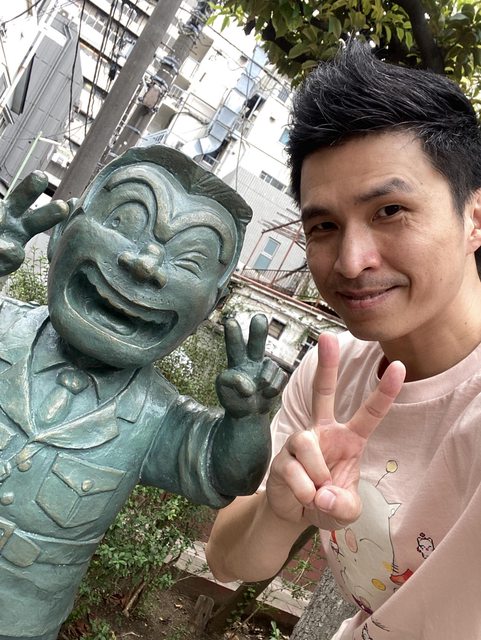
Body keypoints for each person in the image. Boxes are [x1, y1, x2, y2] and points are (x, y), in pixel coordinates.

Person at [206, 41, 481, 639]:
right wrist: (281, 509)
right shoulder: (332, 374)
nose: (351, 262)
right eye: (325, 226)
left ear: (474, 218)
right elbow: (226, 558)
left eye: (390, 210)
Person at [0, 144, 286, 640]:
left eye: (190, 261)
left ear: (212, 306)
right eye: (124, 223)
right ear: (62, 231)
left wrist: (248, 421)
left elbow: (227, 472)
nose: (145, 263)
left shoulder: (158, 418)